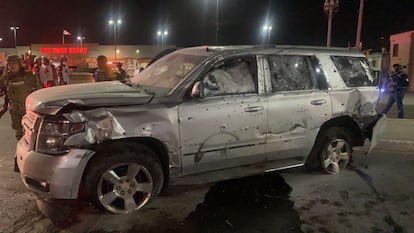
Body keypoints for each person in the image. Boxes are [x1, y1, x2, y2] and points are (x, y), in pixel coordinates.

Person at [0, 55, 42, 139]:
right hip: (15, 110)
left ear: (19, 64)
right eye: (10, 64)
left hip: (28, 109)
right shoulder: (6, 77)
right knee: (19, 133)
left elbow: (39, 90)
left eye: (14, 63)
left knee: (31, 133)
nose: (12, 66)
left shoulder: (28, 75)